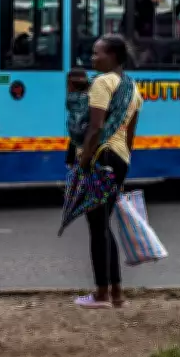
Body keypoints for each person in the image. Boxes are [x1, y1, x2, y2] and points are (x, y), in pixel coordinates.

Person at [75, 34, 142, 309]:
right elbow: (130, 135)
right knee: (103, 225)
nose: (92, 58)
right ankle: (116, 293)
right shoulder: (132, 87)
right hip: (120, 159)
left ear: (112, 56)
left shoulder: (102, 83)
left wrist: (83, 163)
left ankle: (102, 294)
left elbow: (96, 127)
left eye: (97, 53)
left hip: (100, 158)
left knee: (97, 226)